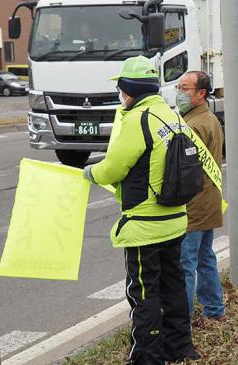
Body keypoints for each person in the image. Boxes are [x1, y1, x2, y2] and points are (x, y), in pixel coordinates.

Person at [84, 56, 198, 364]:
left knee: (144, 295)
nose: (121, 97)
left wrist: (90, 173)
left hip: (144, 225)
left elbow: (113, 168)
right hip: (175, 220)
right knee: (174, 286)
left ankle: (147, 358)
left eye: (121, 90)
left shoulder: (138, 119)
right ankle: (180, 348)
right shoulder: (171, 115)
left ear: (129, 89)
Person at [175, 71, 225, 322]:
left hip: (194, 204)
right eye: (179, 87)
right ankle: (214, 309)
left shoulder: (193, 126)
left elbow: (182, 170)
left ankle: (182, 318)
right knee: (206, 259)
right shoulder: (209, 118)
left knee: (186, 264)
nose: (178, 92)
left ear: (201, 94)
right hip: (209, 200)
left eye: (184, 88)